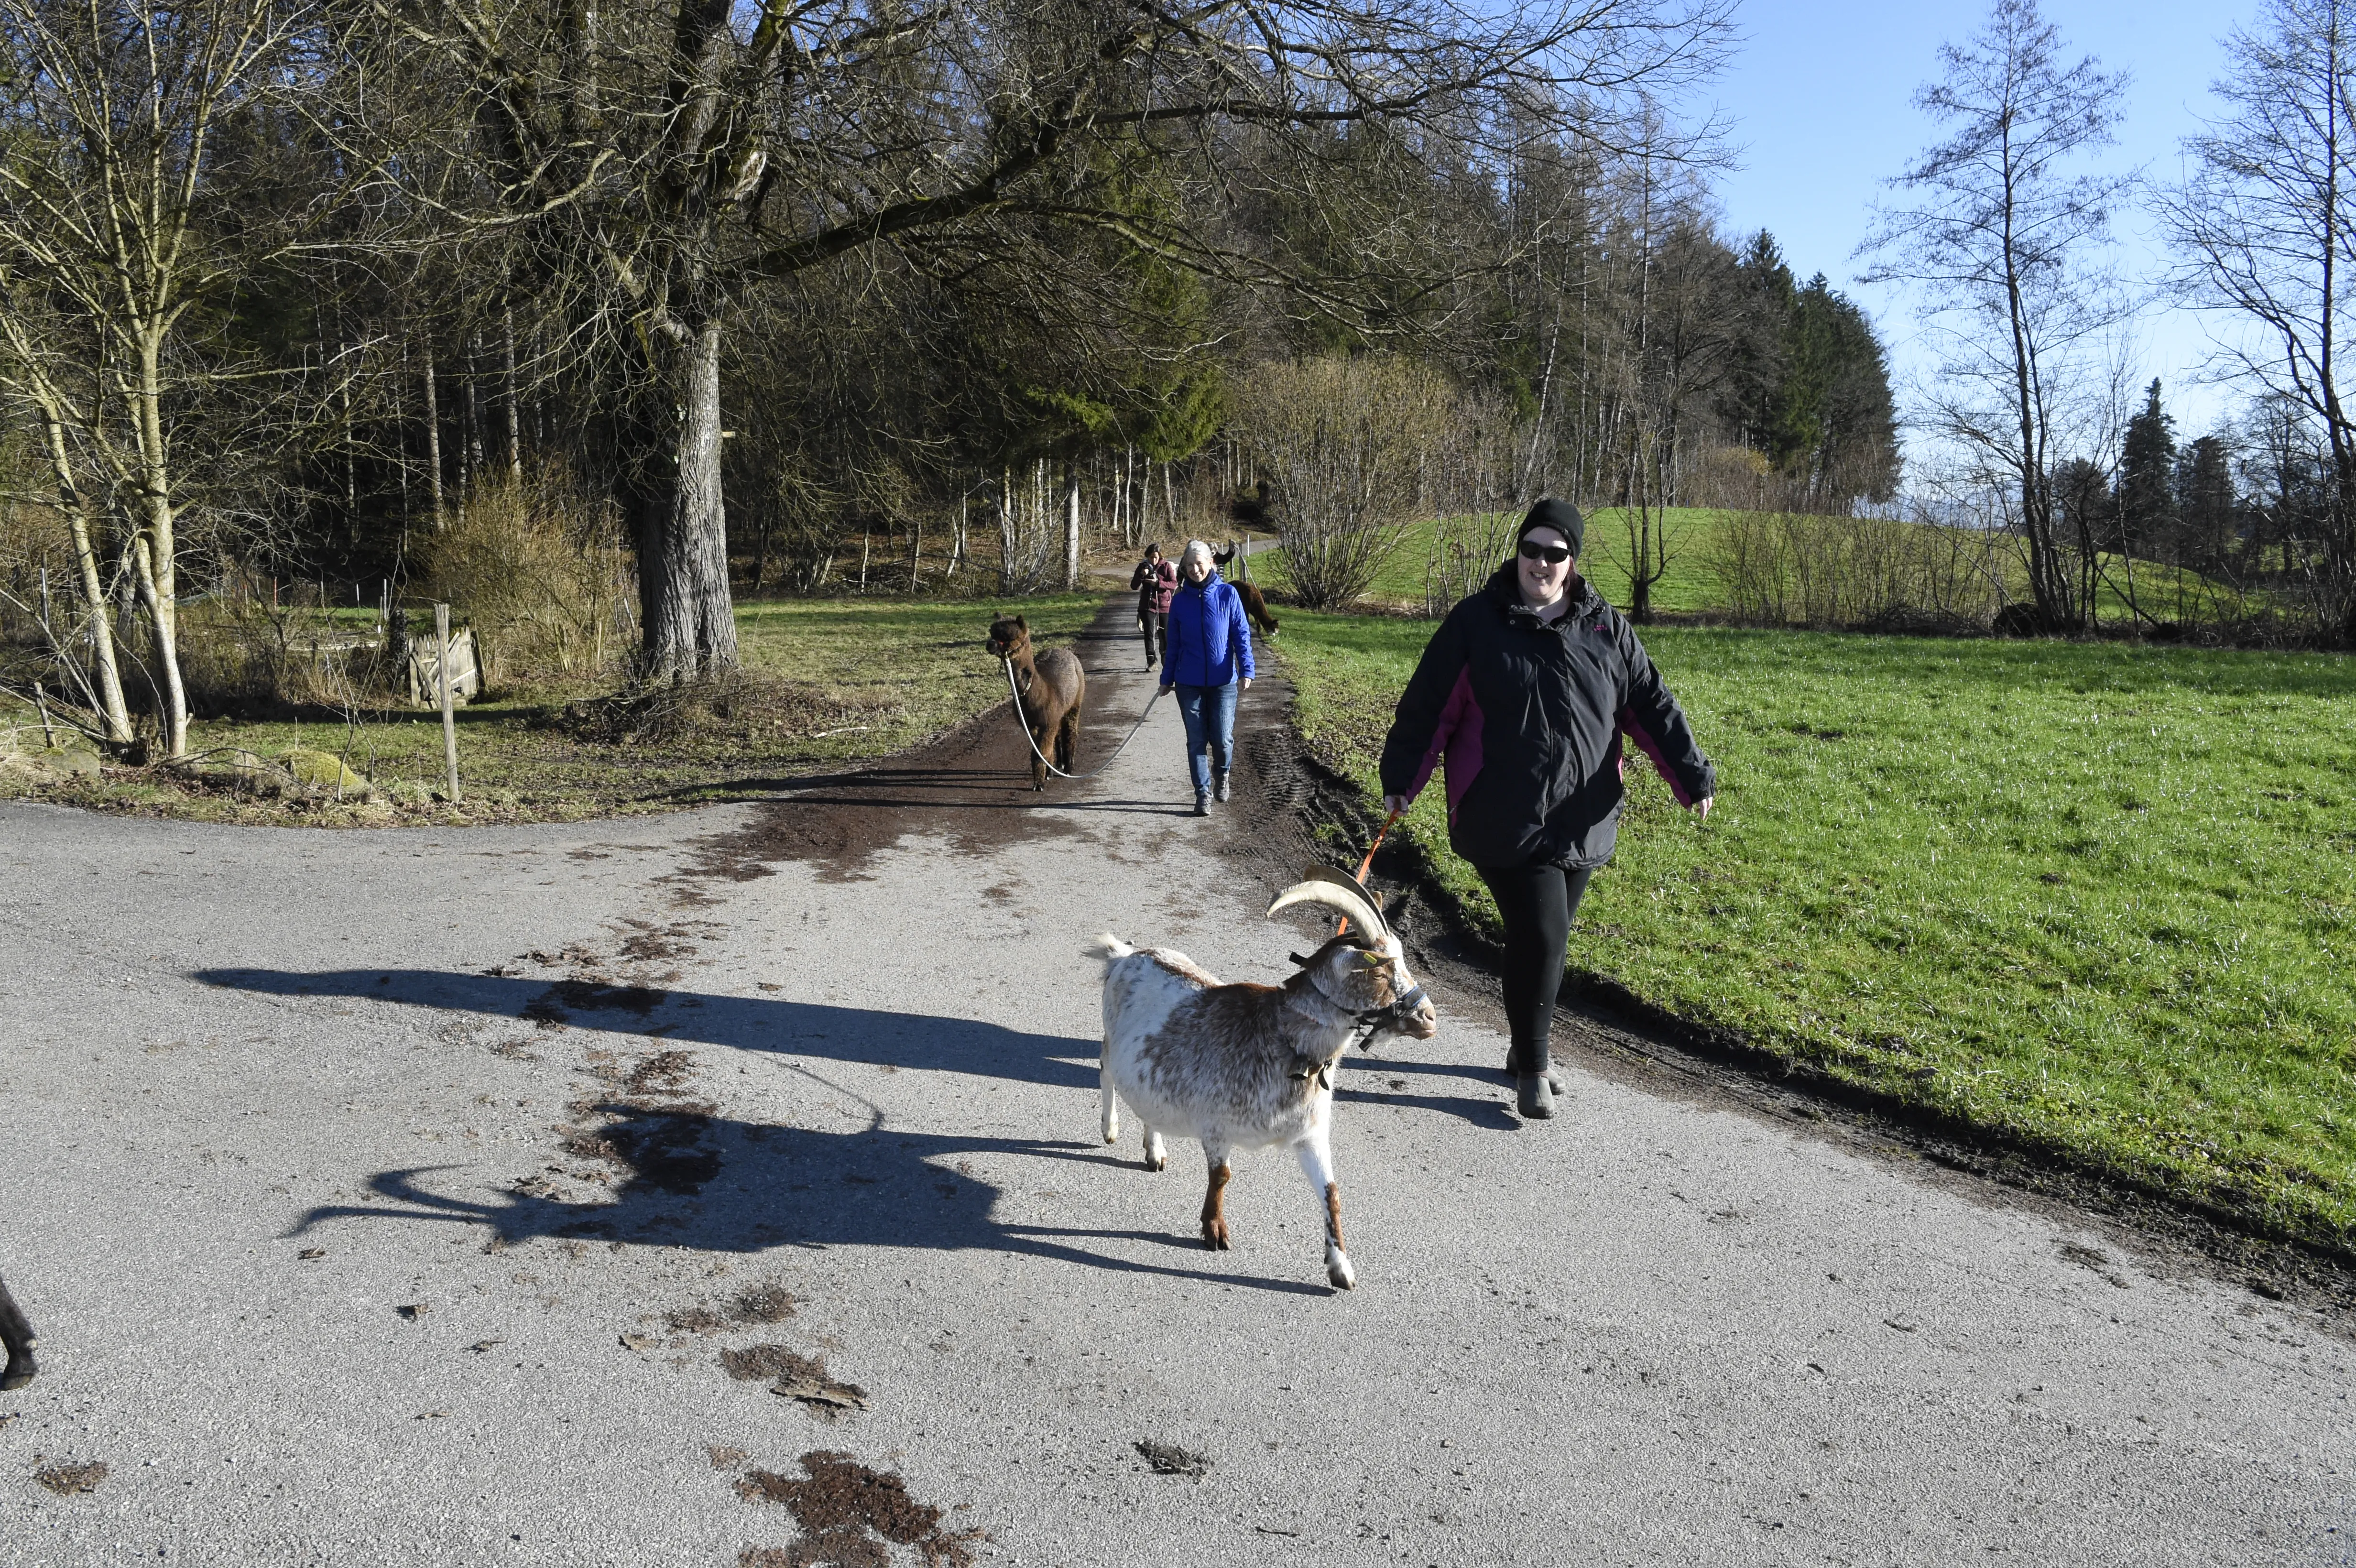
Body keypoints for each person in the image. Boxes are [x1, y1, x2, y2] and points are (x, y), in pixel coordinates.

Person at [1376, 500, 1714, 1121]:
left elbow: (1651, 704)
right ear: (1518, 554)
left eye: (1554, 553)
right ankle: (1533, 1067)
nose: (1540, 563)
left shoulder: (1607, 629)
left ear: (1572, 561)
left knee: (1540, 943)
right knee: (1543, 934)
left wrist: (1690, 774)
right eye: (1530, 550)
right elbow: (1428, 705)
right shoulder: (1476, 622)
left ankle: (1522, 1046)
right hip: (1501, 812)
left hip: (1583, 816)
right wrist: (1403, 777)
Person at [1159, 538, 1254, 817]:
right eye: (1189, 565)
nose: (1194, 570)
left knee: (1223, 739)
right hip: (1188, 683)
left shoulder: (1228, 595)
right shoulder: (1179, 601)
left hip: (1223, 682)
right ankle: (1202, 794)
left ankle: (1222, 773)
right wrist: (1167, 678)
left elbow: (1241, 635)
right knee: (1196, 740)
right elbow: (1173, 645)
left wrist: (1247, 668)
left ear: (1211, 563)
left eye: (1199, 564)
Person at [1129, 543, 1178, 669]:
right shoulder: (1143, 567)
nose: (1154, 560)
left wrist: (1158, 584)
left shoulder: (1166, 566)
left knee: (1165, 634)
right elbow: (1134, 586)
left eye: (1156, 557)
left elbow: (1173, 584)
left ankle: (1166, 660)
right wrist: (1142, 575)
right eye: (1151, 557)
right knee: (1149, 633)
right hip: (1148, 605)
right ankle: (1151, 661)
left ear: (1160, 556)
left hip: (1164, 605)